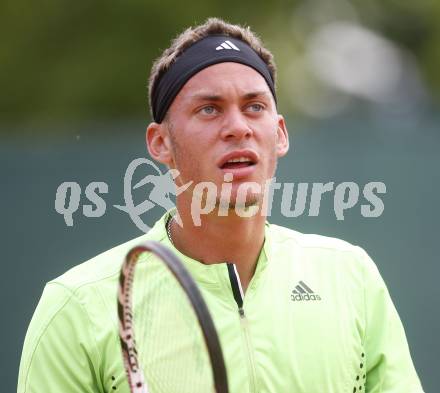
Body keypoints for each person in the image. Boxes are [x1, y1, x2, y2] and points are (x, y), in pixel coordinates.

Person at [18, 17, 424, 393]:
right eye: (209, 109)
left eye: (255, 107)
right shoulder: (76, 308)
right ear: (161, 144)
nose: (238, 127)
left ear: (279, 134)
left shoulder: (351, 277)